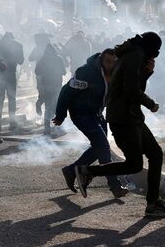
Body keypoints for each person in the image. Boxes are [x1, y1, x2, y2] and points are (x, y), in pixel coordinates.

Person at [74, 32, 165, 218]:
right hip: (124, 117)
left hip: (129, 116)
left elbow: (132, 85)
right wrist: (150, 103)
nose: (155, 56)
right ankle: (87, 171)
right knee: (134, 164)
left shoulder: (130, 54)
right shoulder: (136, 55)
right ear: (150, 48)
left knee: (155, 154)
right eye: (155, 51)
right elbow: (131, 90)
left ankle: (153, 204)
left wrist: (146, 73)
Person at [53, 48, 128, 198]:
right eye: (107, 61)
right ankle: (115, 186)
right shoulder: (86, 72)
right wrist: (60, 115)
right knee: (103, 147)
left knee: (99, 147)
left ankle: (71, 170)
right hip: (81, 114)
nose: (110, 65)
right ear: (101, 60)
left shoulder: (116, 72)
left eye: (114, 62)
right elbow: (66, 92)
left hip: (97, 114)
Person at [0, 32, 24, 131]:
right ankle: (12, 122)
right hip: (11, 74)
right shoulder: (18, 45)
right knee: (12, 99)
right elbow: (21, 61)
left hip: (0, 75)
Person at [35, 44, 66, 135]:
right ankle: (58, 128)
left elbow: (37, 72)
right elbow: (64, 72)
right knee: (57, 106)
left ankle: (47, 128)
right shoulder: (59, 59)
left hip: (46, 85)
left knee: (48, 107)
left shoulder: (42, 59)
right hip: (57, 85)